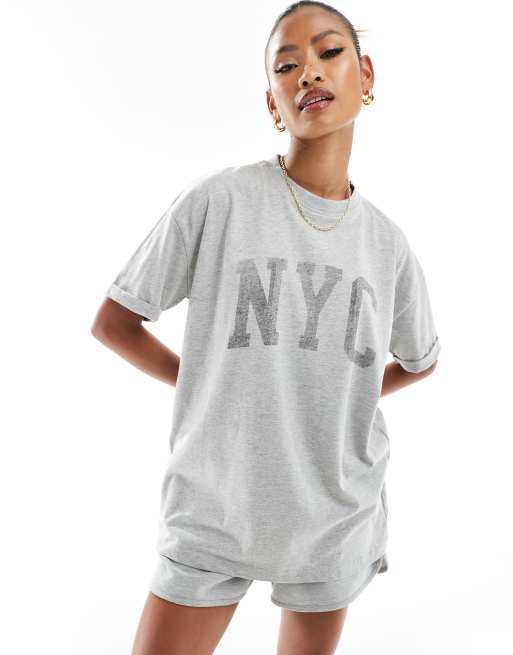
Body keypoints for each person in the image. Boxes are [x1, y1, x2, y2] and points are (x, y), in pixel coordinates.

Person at [91, 2, 441, 653]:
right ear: (272, 103)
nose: (309, 71)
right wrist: (208, 380)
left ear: (365, 74)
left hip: (333, 514)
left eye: (329, 52)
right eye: (286, 65)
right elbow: (116, 322)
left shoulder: (386, 244)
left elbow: (421, 359)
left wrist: (341, 391)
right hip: (215, 508)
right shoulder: (221, 201)